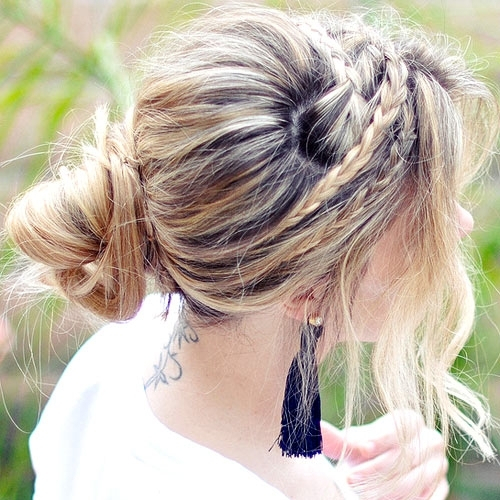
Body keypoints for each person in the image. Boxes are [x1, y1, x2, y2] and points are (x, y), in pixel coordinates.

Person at [4, 5, 498, 499]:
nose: (460, 223)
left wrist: (346, 483)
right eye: (423, 216)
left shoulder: (122, 351)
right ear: (305, 289)